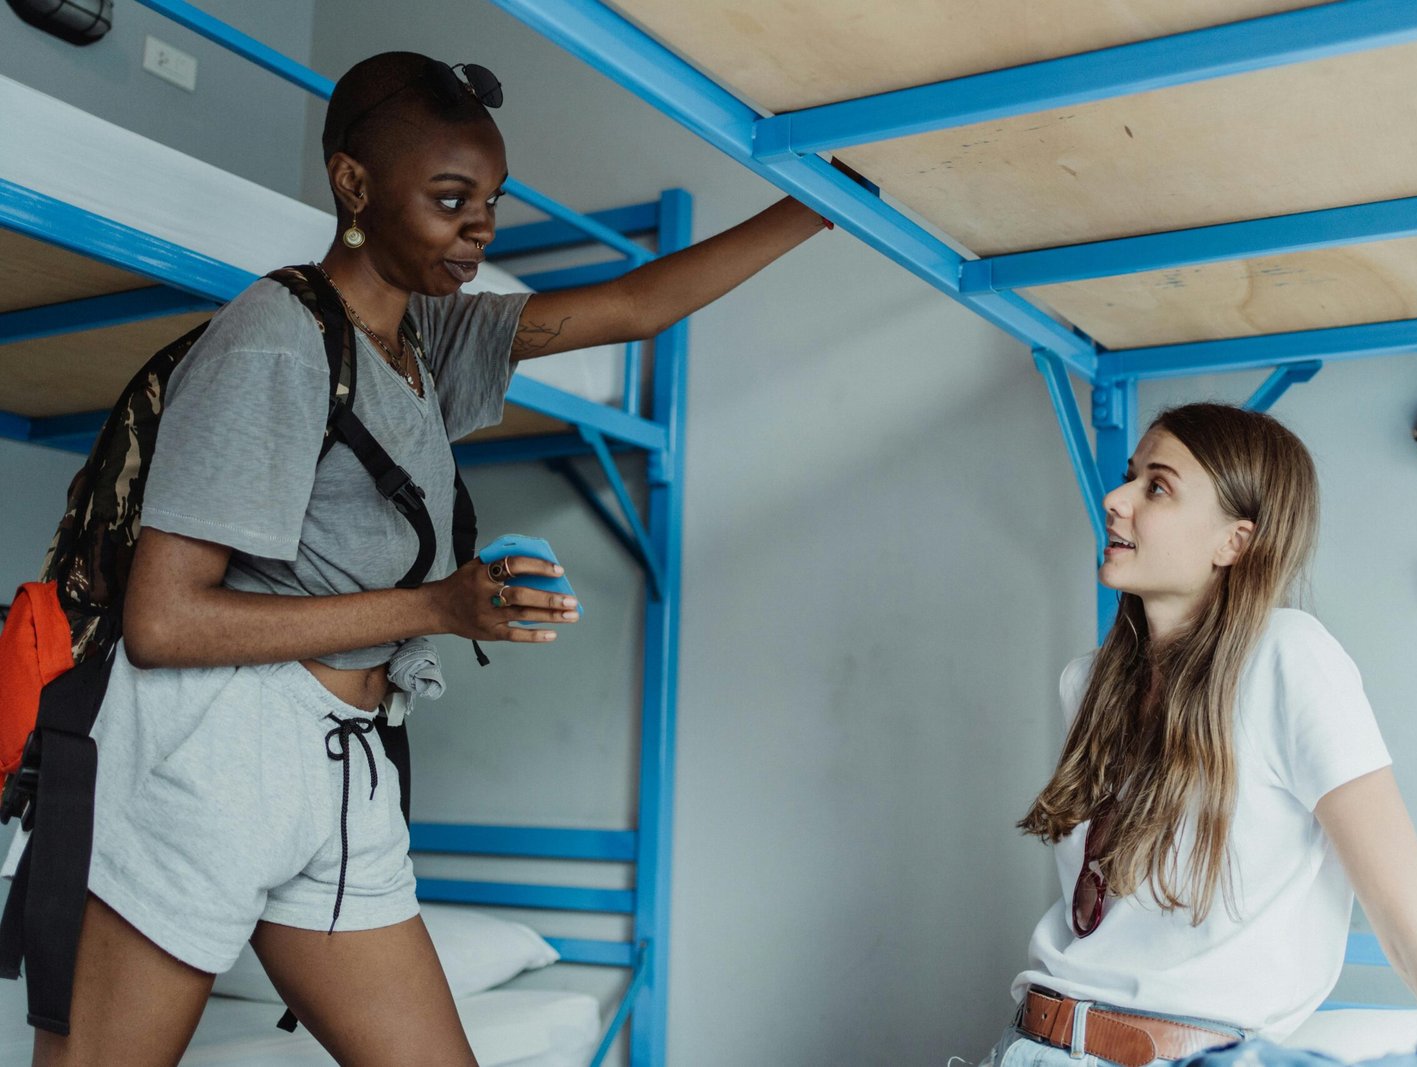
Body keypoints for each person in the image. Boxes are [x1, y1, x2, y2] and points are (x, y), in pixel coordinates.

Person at [34, 51, 831, 1067]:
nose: (481, 228)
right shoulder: (274, 340)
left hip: (343, 757)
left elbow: (633, 308)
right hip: (214, 754)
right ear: (354, 184)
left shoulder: (423, 341)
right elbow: (167, 620)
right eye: (451, 198)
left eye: (491, 201)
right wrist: (437, 606)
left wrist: (821, 204)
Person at [981, 404, 1417, 1067]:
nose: (1114, 500)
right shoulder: (1089, 682)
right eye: (1129, 476)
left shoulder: (1289, 658)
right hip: (1028, 1044)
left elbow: (1416, 930)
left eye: (1156, 486)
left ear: (1235, 541)